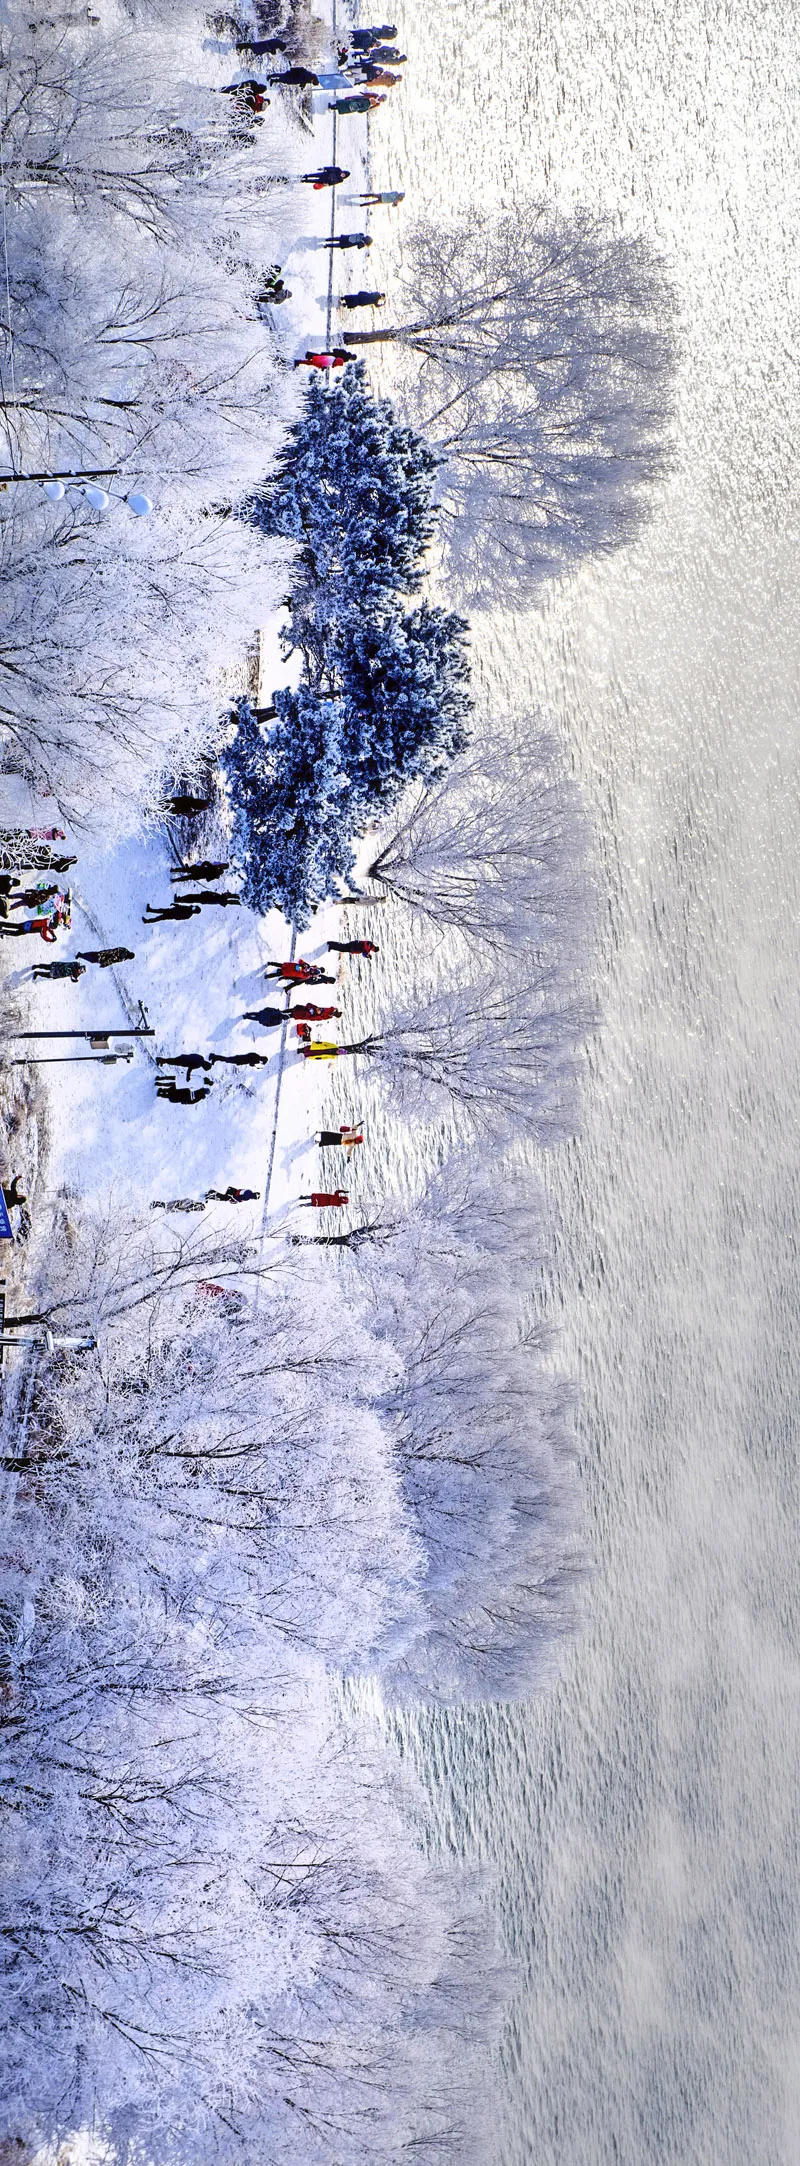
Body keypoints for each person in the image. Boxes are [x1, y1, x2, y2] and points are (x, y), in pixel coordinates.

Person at [263, 959, 334, 984]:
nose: (312, 970)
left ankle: (267, 976)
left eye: (313, 971)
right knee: (280, 965)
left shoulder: (307, 975)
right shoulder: (308, 966)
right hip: (290, 967)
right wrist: (304, 965)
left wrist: (303, 970)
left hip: (290, 972)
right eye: (313, 969)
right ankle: (270, 963)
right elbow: (300, 961)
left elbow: (300, 976)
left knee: (278, 974)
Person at [173, 889, 241, 908]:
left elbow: (210, 896)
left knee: (190, 898)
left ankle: (179, 900)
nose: (225, 893)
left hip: (203, 898)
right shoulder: (220, 899)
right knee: (190, 898)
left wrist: (205, 893)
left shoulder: (218, 898)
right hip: (203, 899)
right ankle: (179, 899)